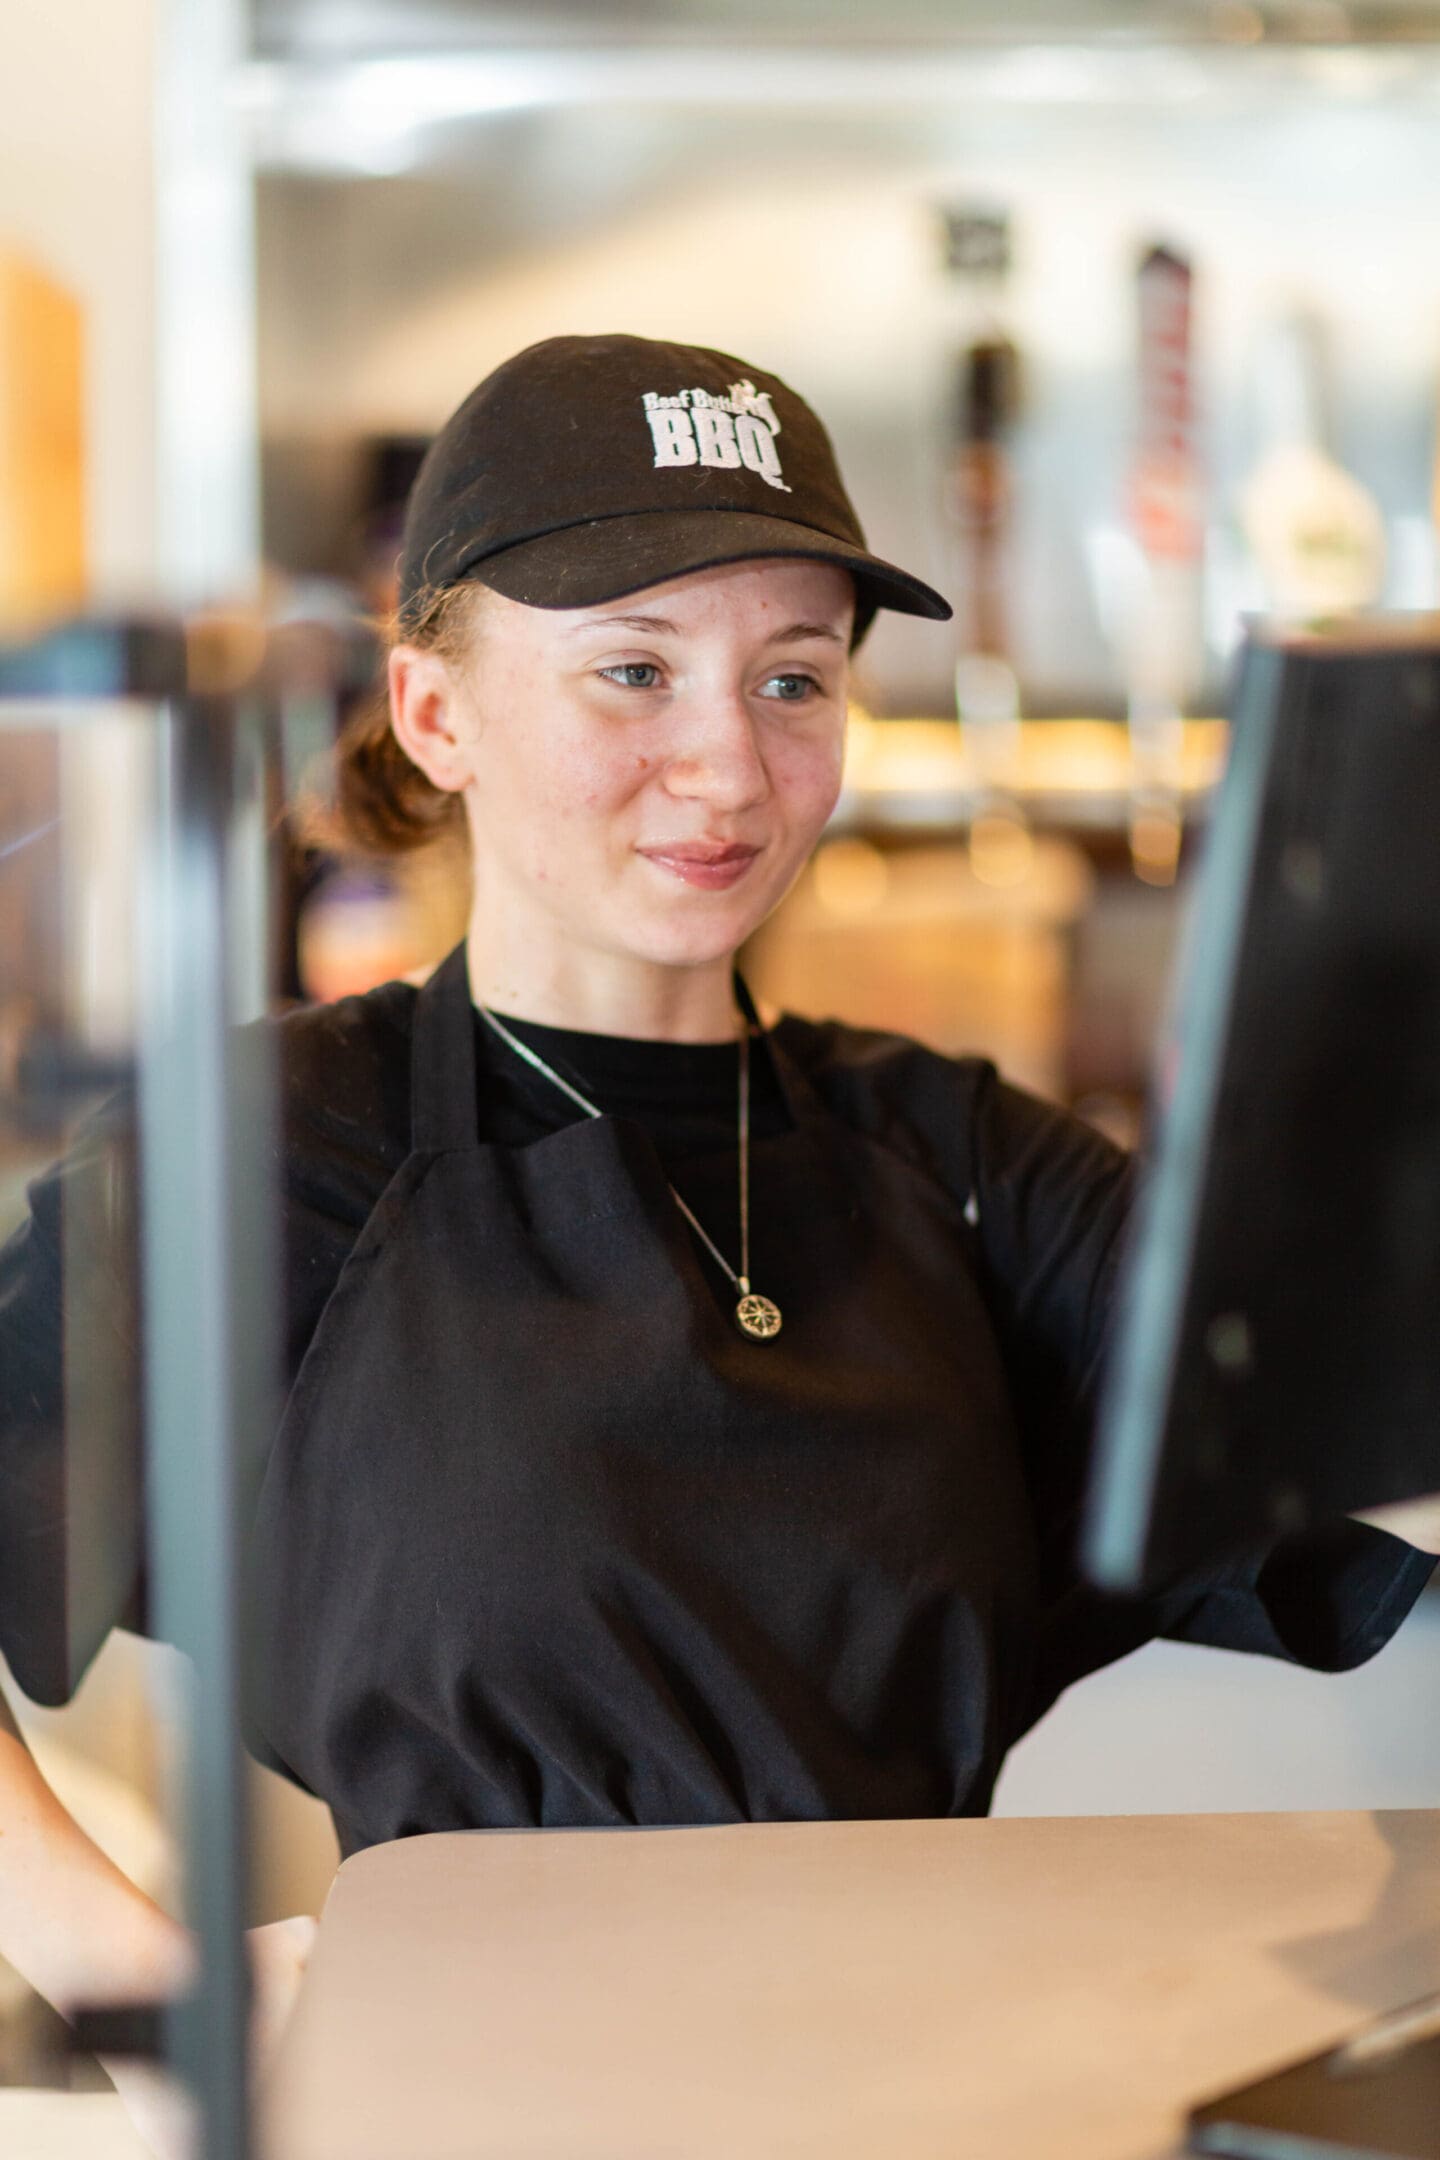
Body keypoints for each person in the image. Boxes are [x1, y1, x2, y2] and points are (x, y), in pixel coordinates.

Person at [1, 334, 1437, 2142]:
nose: (729, 768)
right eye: (631, 670)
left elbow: (1336, 1395)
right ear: (435, 712)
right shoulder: (273, 1150)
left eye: (793, 679)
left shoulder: (961, 1155)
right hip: (467, 2121)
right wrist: (162, 1996)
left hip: (940, 2103)